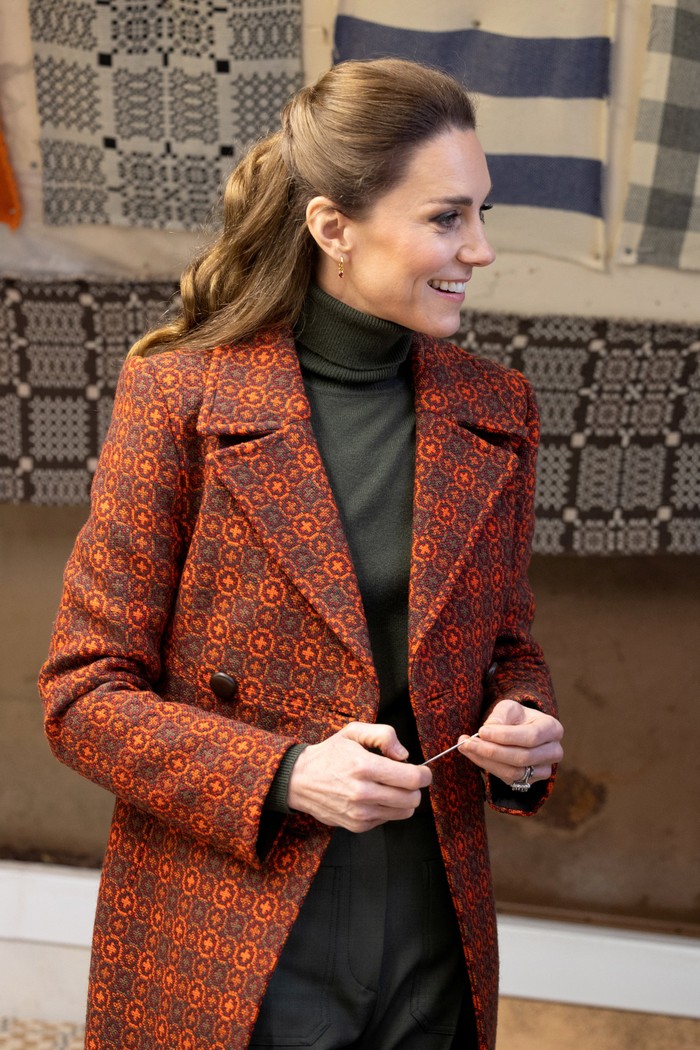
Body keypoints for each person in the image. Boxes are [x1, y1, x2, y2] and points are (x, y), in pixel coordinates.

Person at [39, 58, 564, 1050]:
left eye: (480, 215)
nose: (481, 251)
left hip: (432, 929)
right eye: (447, 219)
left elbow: (507, 646)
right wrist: (282, 773)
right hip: (230, 924)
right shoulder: (179, 398)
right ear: (333, 228)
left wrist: (524, 729)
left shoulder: (497, 411)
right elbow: (82, 698)